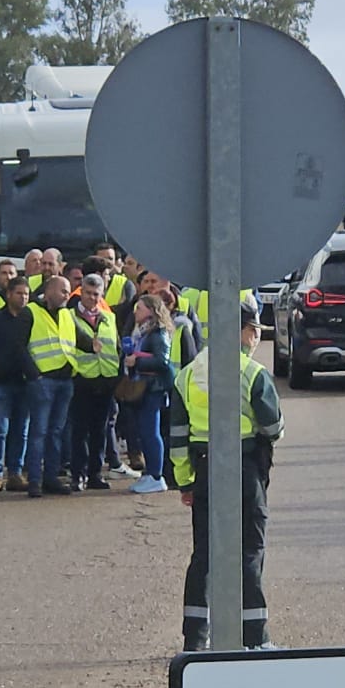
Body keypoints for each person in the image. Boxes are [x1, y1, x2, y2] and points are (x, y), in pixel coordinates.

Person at [169, 300, 283, 651]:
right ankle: (254, 638)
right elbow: (273, 426)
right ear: (238, 331)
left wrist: (186, 481)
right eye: (253, 331)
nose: (255, 338)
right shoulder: (251, 372)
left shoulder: (188, 374)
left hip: (204, 468)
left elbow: (176, 438)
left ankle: (195, 638)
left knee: (203, 555)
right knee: (249, 549)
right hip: (245, 466)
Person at [23, 274, 77, 496]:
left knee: (56, 432)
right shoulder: (31, 312)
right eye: (63, 291)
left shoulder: (66, 314)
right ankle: (34, 480)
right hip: (43, 381)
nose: (67, 295)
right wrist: (34, 374)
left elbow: (76, 337)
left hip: (65, 380)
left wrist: (93, 345)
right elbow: (19, 346)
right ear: (50, 291)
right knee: (39, 432)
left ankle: (51, 478)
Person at [69, 272, 121, 490]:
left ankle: (95, 474)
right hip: (81, 380)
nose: (92, 298)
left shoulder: (109, 317)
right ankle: (78, 475)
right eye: (88, 293)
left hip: (106, 380)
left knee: (100, 431)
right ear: (81, 292)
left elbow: (116, 346)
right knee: (79, 431)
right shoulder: (69, 316)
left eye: (96, 294)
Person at [0, 275, 34, 491]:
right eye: (19, 294)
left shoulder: (30, 318)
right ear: (8, 294)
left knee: (21, 430)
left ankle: (15, 473)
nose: (23, 298)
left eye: (26, 294)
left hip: (24, 382)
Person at [122, 292, 175, 493]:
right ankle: (150, 473)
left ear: (152, 311)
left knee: (150, 431)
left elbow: (162, 361)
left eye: (140, 308)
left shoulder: (158, 333)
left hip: (153, 388)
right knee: (144, 431)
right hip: (144, 386)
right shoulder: (143, 332)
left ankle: (155, 475)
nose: (136, 312)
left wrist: (138, 361)